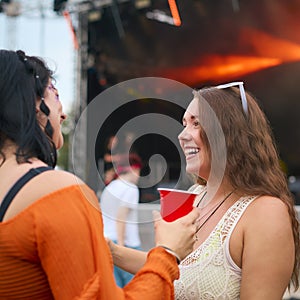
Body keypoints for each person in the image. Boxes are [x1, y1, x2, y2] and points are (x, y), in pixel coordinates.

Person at [0, 49, 201, 299]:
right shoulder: (57, 191)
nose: (63, 115)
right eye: (55, 96)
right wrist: (168, 253)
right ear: (32, 106)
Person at [108, 81, 300, 299]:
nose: (182, 135)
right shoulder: (196, 195)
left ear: (228, 133)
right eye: (184, 124)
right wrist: (110, 251)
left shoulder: (266, 212)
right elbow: (174, 265)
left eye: (196, 123)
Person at [100, 153, 143, 287]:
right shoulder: (131, 188)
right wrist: (121, 246)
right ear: (134, 169)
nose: (139, 176)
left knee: (115, 288)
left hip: (106, 241)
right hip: (126, 243)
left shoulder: (110, 187)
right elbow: (121, 217)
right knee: (134, 286)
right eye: (139, 171)